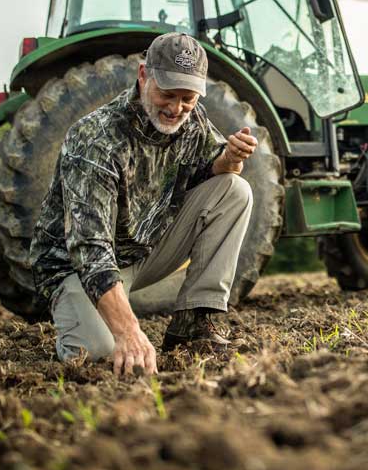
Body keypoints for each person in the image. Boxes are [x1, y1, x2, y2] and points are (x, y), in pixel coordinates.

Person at [28, 32, 258, 376]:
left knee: (234, 190)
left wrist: (230, 158)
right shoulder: (97, 138)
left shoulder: (191, 121)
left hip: (141, 250)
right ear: (142, 75)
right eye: (167, 94)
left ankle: (195, 321)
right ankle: (80, 319)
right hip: (76, 267)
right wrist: (129, 331)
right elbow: (89, 248)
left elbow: (211, 172)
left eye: (188, 98)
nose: (176, 108)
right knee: (98, 353)